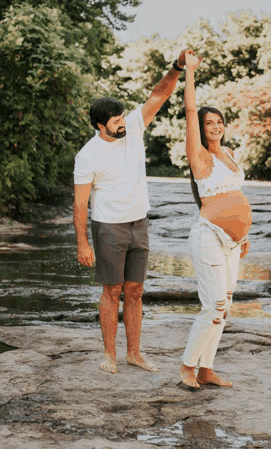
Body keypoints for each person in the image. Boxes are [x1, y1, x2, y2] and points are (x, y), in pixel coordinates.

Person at [73, 48, 191, 374]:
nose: (122, 123)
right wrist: (83, 243)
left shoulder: (135, 127)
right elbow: (80, 203)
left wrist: (177, 67)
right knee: (112, 291)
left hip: (140, 222)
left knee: (136, 290)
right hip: (109, 226)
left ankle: (134, 354)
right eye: (115, 121)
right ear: (100, 125)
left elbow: (160, 94)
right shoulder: (88, 155)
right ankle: (110, 356)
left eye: (123, 117)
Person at [179, 52, 251, 388]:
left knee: (227, 307)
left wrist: (242, 234)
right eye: (210, 123)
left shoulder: (230, 155)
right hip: (208, 238)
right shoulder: (200, 155)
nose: (216, 126)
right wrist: (189, 71)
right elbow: (190, 109)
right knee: (214, 306)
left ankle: (207, 369)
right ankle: (187, 368)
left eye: (220, 121)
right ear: (200, 128)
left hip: (233, 243)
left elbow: (235, 198)